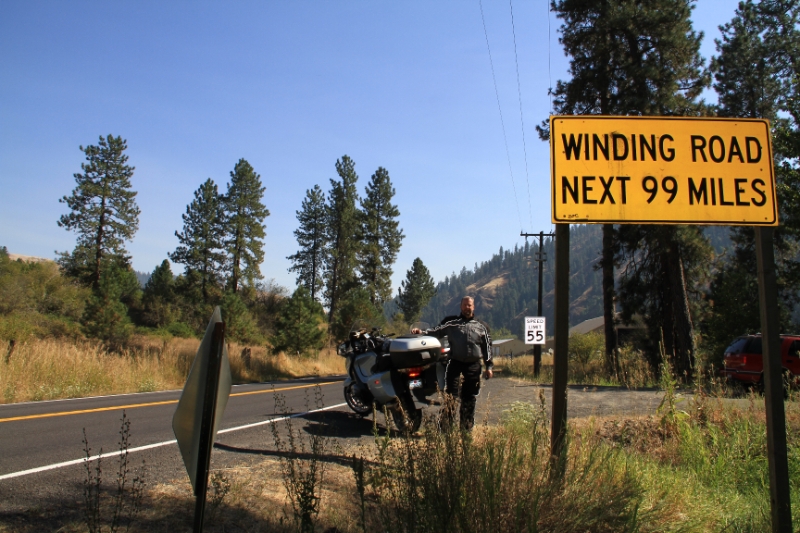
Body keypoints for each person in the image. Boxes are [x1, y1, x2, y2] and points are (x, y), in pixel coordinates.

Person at [412, 296, 493, 430]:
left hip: (473, 366)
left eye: (470, 305)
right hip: (455, 365)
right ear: (461, 307)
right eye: (465, 305)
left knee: (469, 398)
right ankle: (444, 429)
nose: (467, 307)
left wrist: (489, 366)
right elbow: (436, 331)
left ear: (474, 307)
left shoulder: (482, 327)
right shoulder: (451, 323)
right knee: (451, 397)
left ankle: (466, 429)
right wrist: (421, 332)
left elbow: (487, 348)